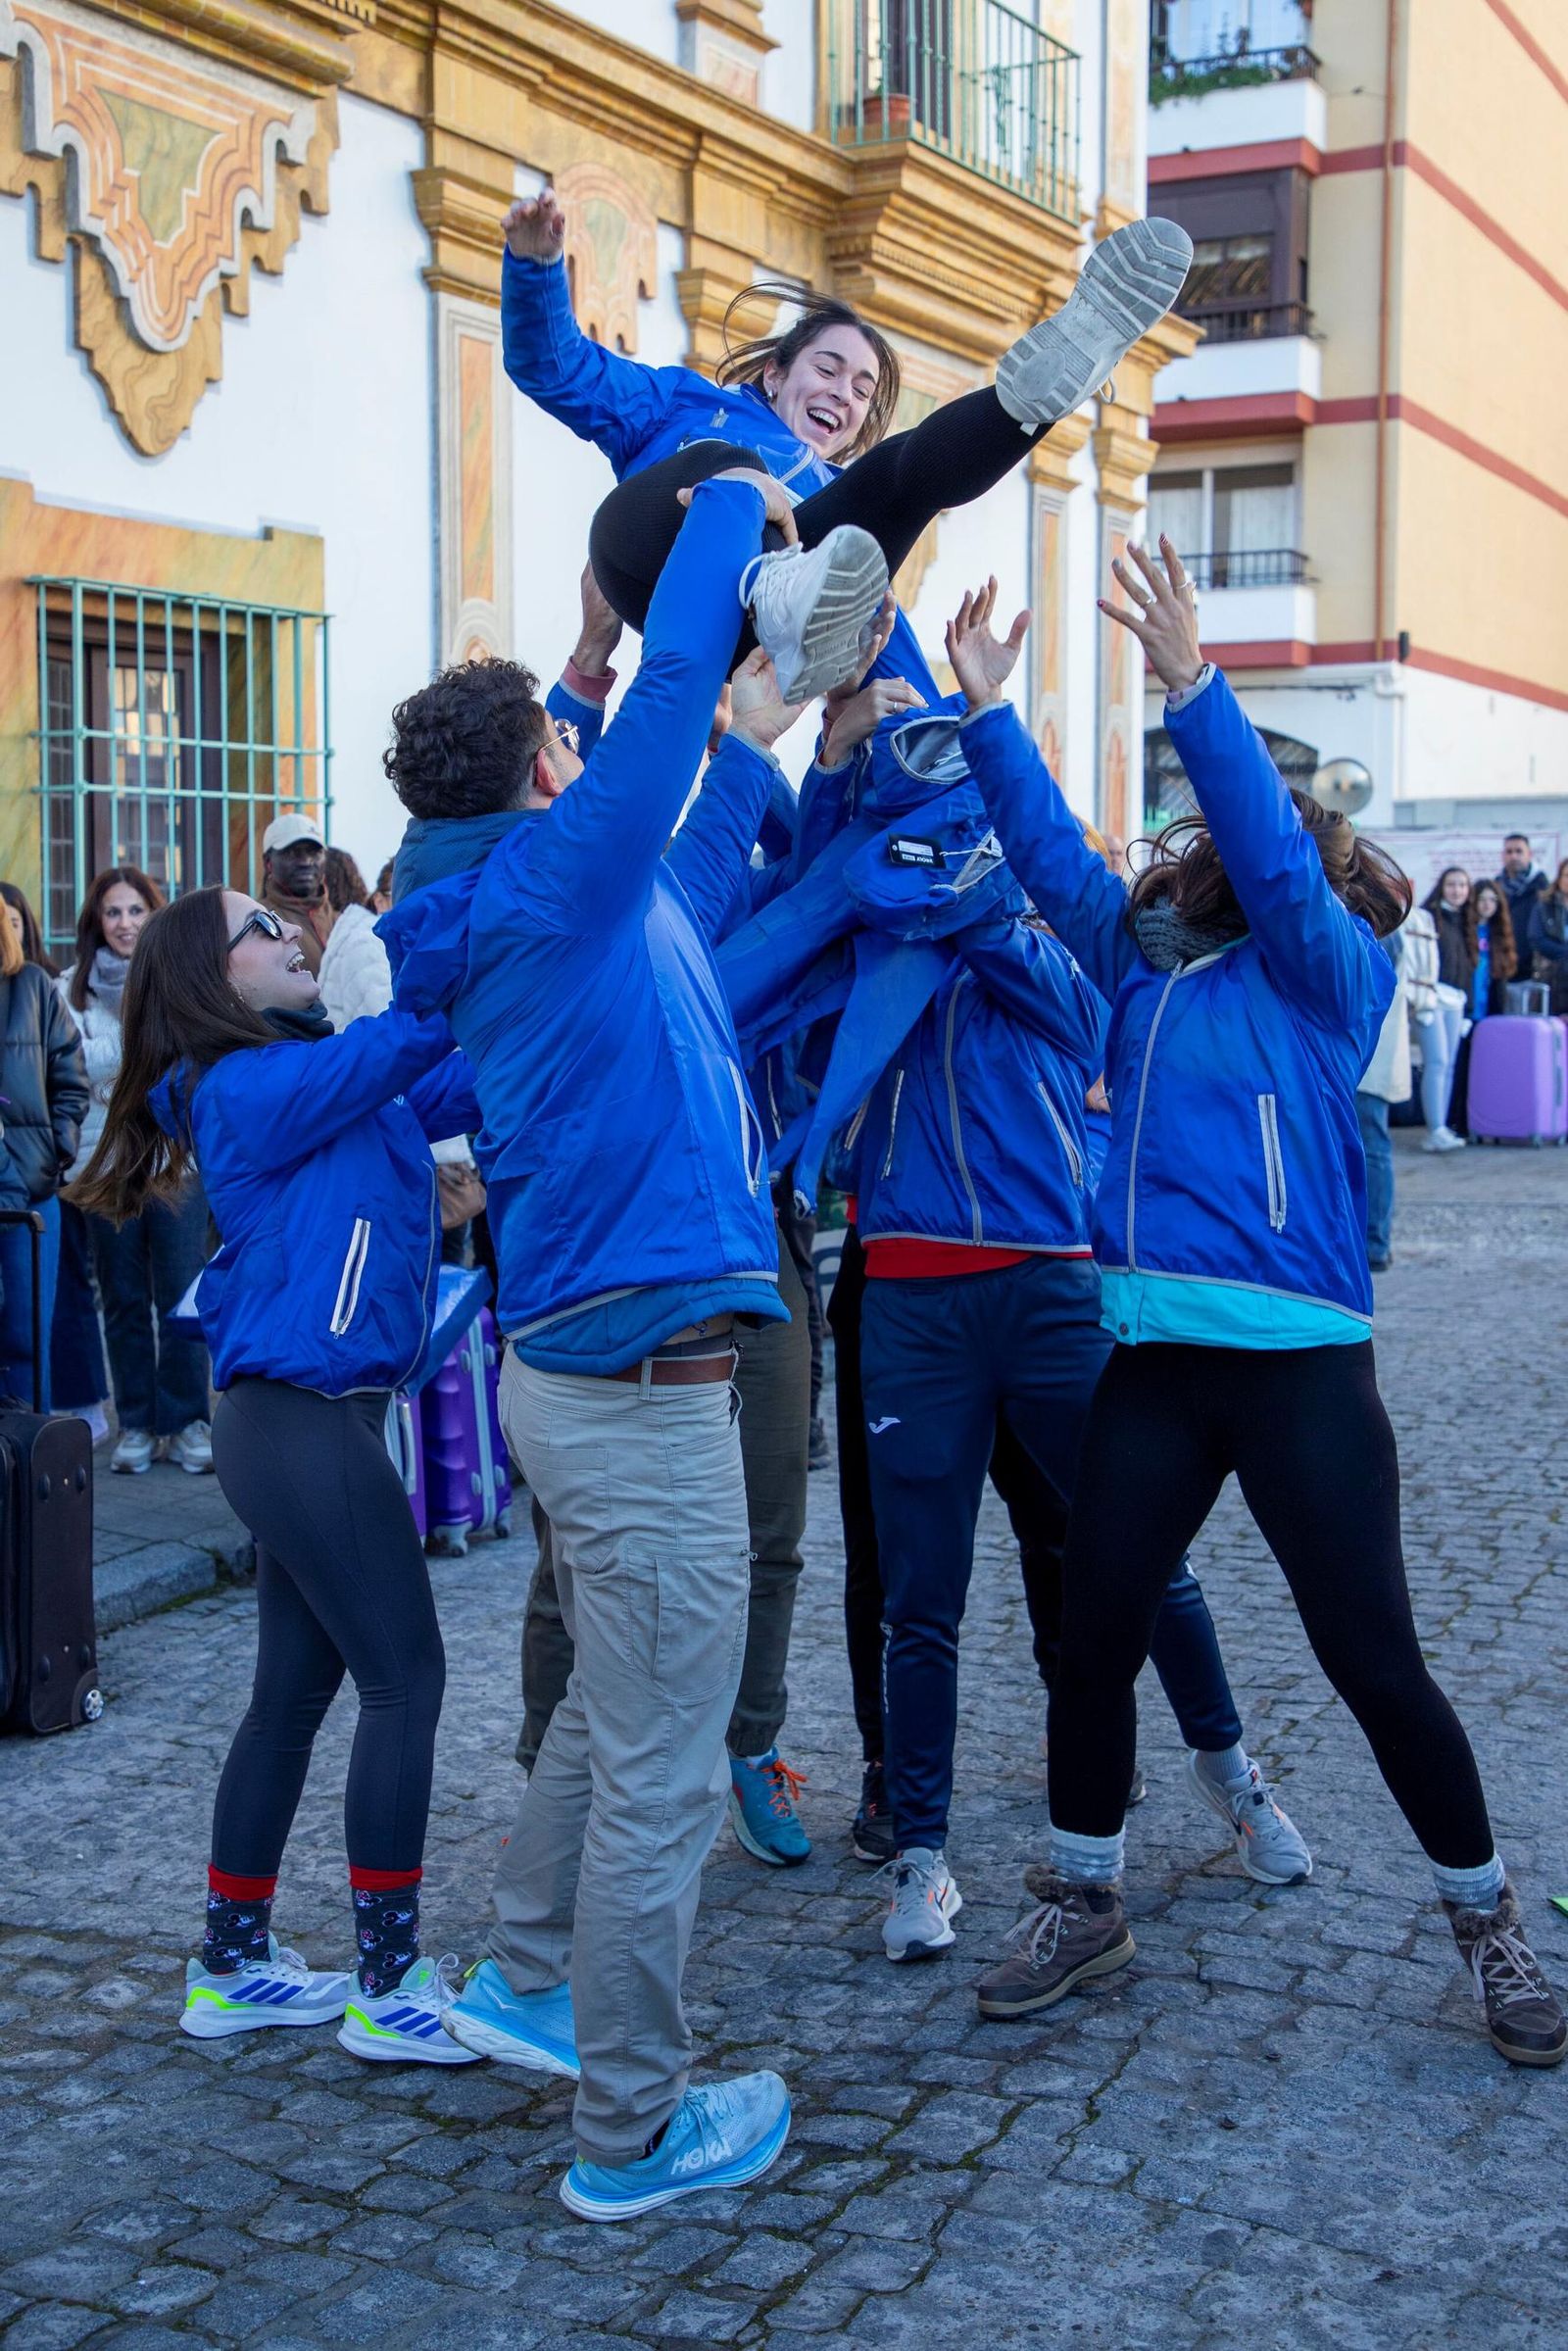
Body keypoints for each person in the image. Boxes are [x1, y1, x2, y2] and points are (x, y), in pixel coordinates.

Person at [946, 542, 1565, 2069]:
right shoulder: (1142, 968)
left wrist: (1193, 687)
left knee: (1375, 1662)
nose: (1234, 856)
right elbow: (1053, 856)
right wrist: (986, 715)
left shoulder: (1326, 971)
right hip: (1156, 1364)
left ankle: (1488, 1919)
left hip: (1300, 1371)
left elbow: (1278, 864)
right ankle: (1085, 1896)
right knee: (1092, 1638)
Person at [382, 476, 807, 2220]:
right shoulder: (551, 883)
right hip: (634, 1390)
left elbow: (686, 854)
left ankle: (525, 1974)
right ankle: (632, 2130)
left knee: (615, 1711)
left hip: (593, 1372)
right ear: (545, 775)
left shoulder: (543, 894)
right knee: (662, 1760)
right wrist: (732, 503)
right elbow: (673, 682)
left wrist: (748, 741)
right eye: (566, 739)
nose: (585, 747)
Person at [72, 886, 482, 2062]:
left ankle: (232, 1963)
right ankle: (390, 1984)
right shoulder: (244, 1085)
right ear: (216, 977)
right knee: (405, 1677)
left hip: (309, 1421)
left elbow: (458, 1071)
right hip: (300, 1421)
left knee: (293, 1698)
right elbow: (412, 1034)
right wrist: (450, 921)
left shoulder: (312, 1079)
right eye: (259, 928)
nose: (289, 932)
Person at [501, 189, 1193, 711]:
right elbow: (558, 370)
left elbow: (883, 637)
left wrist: (954, 723)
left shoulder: (837, 504)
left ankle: (1029, 404)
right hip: (651, 564)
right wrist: (536, 268)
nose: (844, 393)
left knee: (894, 481)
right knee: (732, 471)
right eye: (828, 370)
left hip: (754, 636)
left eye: (863, 389)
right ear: (775, 374)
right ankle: (769, 575)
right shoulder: (682, 402)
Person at [59, 867, 214, 1472]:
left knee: (181, 1295)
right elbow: (75, 1064)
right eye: (113, 912)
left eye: (135, 911)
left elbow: (192, 1055)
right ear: (96, 922)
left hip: (176, 1161)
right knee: (122, 1301)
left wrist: (126, 1054)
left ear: (155, 915)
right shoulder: (68, 989)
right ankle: (138, 1424)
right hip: (105, 1167)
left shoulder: (178, 978)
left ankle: (188, 1419)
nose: (125, 924)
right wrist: (147, 1040)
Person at [0, 883, 88, 1406]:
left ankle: (29, 1454)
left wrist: (54, 1152)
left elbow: (71, 1079)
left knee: (28, 1338)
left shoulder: (32, 986)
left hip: (31, 1192)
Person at [1354, 930, 1409, 1273]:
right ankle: (1374, 1242)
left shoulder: (1379, 929)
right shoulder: (1383, 923)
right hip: (1369, 1056)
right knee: (1371, 1147)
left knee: (1372, 1147)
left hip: (1368, 1057)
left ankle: (1374, 1242)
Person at [259, 813, 334, 976]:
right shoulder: (262, 922)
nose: (306, 862)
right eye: (293, 853)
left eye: (314, 852)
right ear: (268, 862)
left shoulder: (342, 919)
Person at [1467, 877, 1516, 1017]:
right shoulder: (1466, 930)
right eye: (1482, 899)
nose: (1487, 904)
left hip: (1489, 1002)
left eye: (1492, 899)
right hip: (1468, 1001)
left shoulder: (1499, 932)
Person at [1495, 832, 1549, 955]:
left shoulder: (1543, 888)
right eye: (1509, 852)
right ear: (1503, 856)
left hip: (1534, 961)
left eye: (1519, 851)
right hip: (1503, 959)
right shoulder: (1495, 887)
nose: (1514, 856)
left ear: (1529, 855)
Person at [1527, 857, 1568, 1013]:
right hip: (1551, 979)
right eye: (1567, 875)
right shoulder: (1544, 905)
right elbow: (1536, 938)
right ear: (1559, 878)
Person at [1, 880, 60, 976]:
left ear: (25, 927)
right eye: (2, 926)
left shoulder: (46, 978)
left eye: (13, 925)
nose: (7, 934)